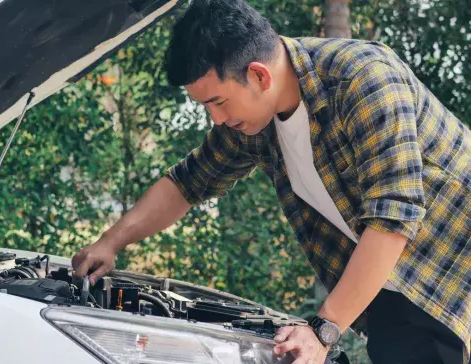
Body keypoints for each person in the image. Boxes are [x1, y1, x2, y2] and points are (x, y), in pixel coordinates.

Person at [71, 0, 471, 363]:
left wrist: (323, 330)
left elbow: (393, 217)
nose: (217, 119)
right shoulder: (253, 124)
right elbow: (186, 183)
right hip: (392, 296)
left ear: (259, 75)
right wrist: (110, 241)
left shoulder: (363, 79)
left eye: (218, 102)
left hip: (456, 275)